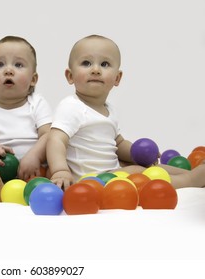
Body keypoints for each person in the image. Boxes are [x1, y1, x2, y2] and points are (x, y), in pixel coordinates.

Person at [47, 34, 205, 190]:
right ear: (70, 76)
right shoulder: (71, 106)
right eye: (86, 63)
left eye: (105, 64)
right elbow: (56, 140)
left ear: (117, 78)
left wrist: (139, 155)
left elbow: (119, 143)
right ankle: (190, 181)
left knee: (148, 168)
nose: (95, 69)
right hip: (89, 179)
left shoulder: (109, 109)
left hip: (110, 172)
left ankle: (190, 173)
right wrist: (60, 171)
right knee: (139, 173)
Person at [0, 36, 52, 201]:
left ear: (33, 79)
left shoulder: (37, 103)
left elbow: (49, 135)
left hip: (34, 172)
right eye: (0, 64)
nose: (8, 70)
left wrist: (34, 156)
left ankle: (9, 194)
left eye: (18, 65)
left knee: (52, 175)